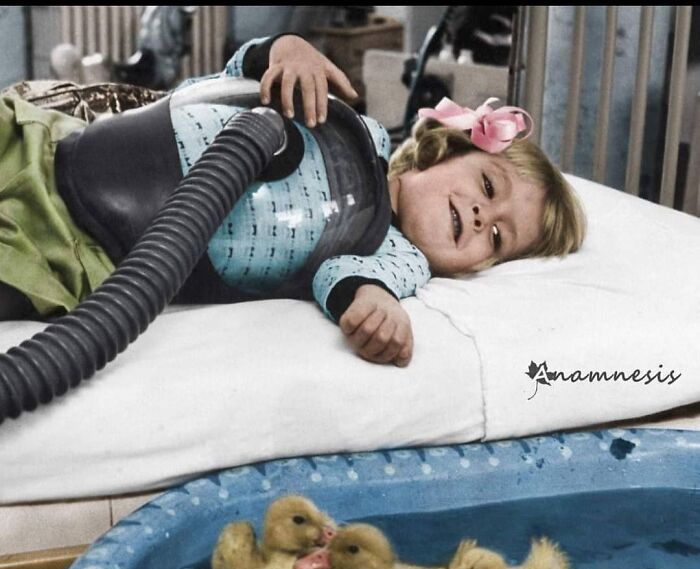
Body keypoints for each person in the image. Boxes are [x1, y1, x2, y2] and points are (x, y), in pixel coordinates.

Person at [0, 34, 585, 369]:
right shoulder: (353, 123)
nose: (482, 216)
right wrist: (287, 50)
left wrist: (377, 308)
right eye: (488, 187)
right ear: (443, 152)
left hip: (83, 250)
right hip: (50, 144)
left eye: (498, 237)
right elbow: (236, 78)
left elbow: (347, 279)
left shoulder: (391, 253)